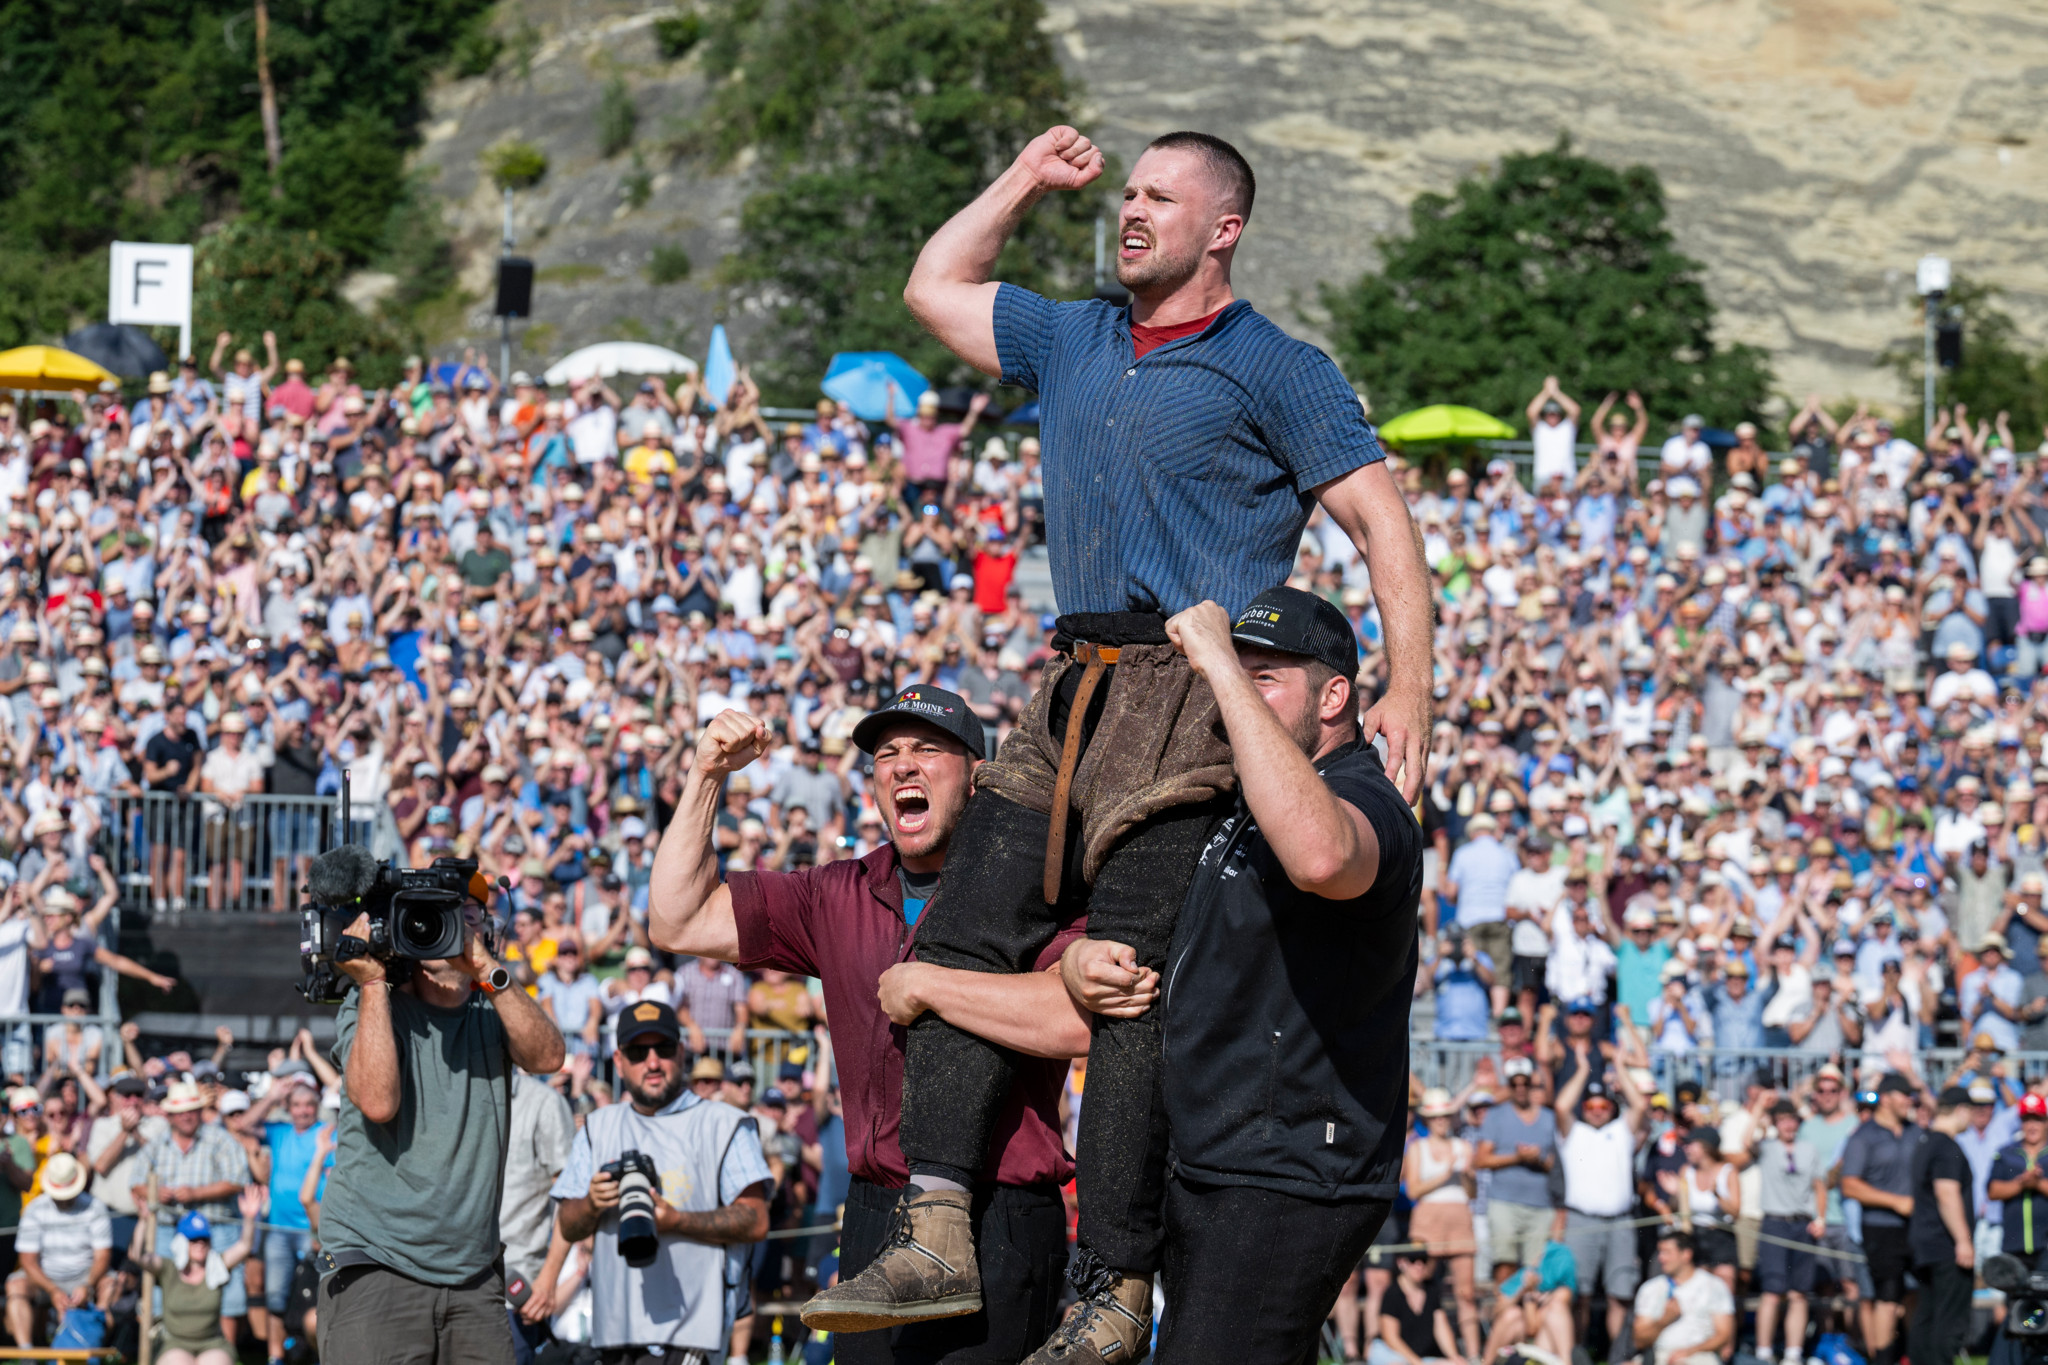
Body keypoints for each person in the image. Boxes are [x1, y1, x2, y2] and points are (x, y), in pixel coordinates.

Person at [813, 122, 1433, 1339]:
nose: (1130, 210)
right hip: (1070, 682)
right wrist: (1021, 179)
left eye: (1160, 196)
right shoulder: (1077, 332)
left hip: (1200, 693)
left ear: (1224, 228)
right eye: (1126, 192)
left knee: (1130, 986)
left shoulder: (1277, 365)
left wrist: (1407, 685)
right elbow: (933, 286)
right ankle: (933, 1226)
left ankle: (1112, 1282)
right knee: (964, 942)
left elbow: (1381, 519)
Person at [652, 685, 1097, 1365]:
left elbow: (1076, 1021)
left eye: (927, 748)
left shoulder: (1038, 889)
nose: (902, 765)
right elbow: (676, 918)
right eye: (885, 754)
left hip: (996, 1220)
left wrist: (932, 985)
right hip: (873, 1216)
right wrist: (706, 773)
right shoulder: (838, 890)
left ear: (979, 776)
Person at [1064, 589, 1424, 1363]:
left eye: (1268, 676)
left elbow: (1322, 854)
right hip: (1215, 1160)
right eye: (1240, 670)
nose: (1239, 688)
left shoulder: (1369, 799)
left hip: (1291, 1168)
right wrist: (1076, 960)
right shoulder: (1243, 802)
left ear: (1335, 697)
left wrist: (1221, 662)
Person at [314, 892, 567, 1364]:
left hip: (474, 1277)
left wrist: (486, 967)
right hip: (376, 1264)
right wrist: (371, 984)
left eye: (465, 917)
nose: (449, 928)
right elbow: (377, 1101)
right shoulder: (373, 1004)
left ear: (487, 928)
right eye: (431, 917)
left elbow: (549, 1058)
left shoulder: (493, 1011)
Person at [544, 1002, 773, 1360]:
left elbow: (756, 1220)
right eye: (638, 1052)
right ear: (618, 1061)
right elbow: (569, 1226)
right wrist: (591, 1203)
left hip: (695, 1330)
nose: (652, 1062)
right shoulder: (597, 1127)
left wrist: (676, 1220)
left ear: (681, 1052)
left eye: (663, 1048)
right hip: (616, 1329)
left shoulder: (725, 1124)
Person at [133, 1078, 253, 1349]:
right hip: (167, 1227)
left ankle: (223, 1352)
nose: (187, 1116)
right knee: (159, 1294)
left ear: (200, 1111)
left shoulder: (219, 1138)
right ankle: (162, 1351)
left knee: (226, 1295)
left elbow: (237, 1180)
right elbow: (136, 1182)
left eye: (192, 1109)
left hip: (214, 1227)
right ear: (170, 1115)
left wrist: (197, 1194)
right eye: (181, 1111)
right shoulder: (156, 1143)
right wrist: (155, 1193)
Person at [1554, 1058, 1651, 1354]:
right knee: (1578, 1295)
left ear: (1612, 1108)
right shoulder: (1573, 1133)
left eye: (1603, 1106)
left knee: (1619, 1295)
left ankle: (1618, 1356)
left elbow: (1640, 1106)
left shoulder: (1622, 1131)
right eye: (1591, 1107)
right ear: (1584, 1109)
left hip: (1620, 1221)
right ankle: (1577, 1354)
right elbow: (1560, 1106)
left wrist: (1620, 1068)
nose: (1597, 1112)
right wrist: (1583, 1069)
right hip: (1582, 1221)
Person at [1735, 1098, 1826, 1365]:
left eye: (1792, 1119)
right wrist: (1760, 1110)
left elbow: (1819, 1186)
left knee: (1800, 1292)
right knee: (1772, 1290)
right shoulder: (1768, 1147)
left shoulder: (1809, 1149)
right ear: (1776, 1122)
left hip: (1802, 1223)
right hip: (1775, 1222)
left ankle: (1792, 1353)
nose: (1789, 1124)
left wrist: (1820, 1217)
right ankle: (1764, 1352)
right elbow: (1746, 1141)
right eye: (1783, 1119)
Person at [1840, 1072, 1922, 1365]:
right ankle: (1882, 1359)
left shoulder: (1916, 1132)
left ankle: (1914, 1356)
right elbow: (1849, 1184)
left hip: (1915, 1228)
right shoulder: (1865, 1136)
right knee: (1886, 1299)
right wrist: (1896, 1202)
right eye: (1903, 1095)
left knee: (1914, 1294)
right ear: (1886, 1099)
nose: (1909, 1101)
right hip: (1881, 1228)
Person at [128, 1189, 263, 1365]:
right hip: (175, 1343)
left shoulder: (217, 1266)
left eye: (204, 1239)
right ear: (182, 1242)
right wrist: (143, 1221)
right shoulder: (169, 1268)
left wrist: (249, 1217)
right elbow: (137, 1255)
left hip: (212, 1343)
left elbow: (245, 1246)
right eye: (193, 1240)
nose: (200, 1244)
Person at [502, 1069, 574, 1365]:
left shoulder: (542, 1102)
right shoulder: (447, 1095)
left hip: (513, 1291)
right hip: (441, 1285)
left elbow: (572, 1197)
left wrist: (548, 1280)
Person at [6, 1152, 112, 1349]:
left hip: (86, 1275)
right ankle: (27, 1354)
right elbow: (28, 1260)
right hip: (46, 1278)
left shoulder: (94, 1207)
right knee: (15, 1285)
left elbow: (102, 1256)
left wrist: (88, 1285)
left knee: (111, 1284)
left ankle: (96, 1346)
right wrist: (52, 1289)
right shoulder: (35, 1210)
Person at [1405, 1089, 1480, 1359]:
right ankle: (1422, 1348)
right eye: (1436, 1116)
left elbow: (1472, 1193)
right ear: (1428, 1119)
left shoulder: (1464, 1147)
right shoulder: (1417, 1148)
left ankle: (1472, 1355)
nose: (1441, 1121)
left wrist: (1469, 1176)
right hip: (1429, 1219)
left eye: (1445, 1116)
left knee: (1466, 1292)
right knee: (1423, 1286)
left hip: (1459, 1216)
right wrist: (1446, 1174)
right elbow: (1413, 1190)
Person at [1907, 1087, 1977, 1365]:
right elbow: (1946, 1193)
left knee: (1927, 1315)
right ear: (1961, 1110)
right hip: (1946, 1246)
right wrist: (1963, 1239)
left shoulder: (1924, 1143)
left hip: (1924, 1244)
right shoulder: (1948, 1147)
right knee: (1949, 1320)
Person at [1475, 1056, 1558, 1284]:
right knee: (1505, 1264)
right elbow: (1481, 1160)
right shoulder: (1495, 1115)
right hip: (1503, 1202)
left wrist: (1538, 1159)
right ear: (1508, 1085)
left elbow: (1557, 1164)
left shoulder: (1549, 1118)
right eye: (1514, 1083)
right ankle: (1506, 1316)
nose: (1520, 1089)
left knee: (1537, 1271)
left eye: (1525, 1083)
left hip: (1541, 1205)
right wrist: (1517, 1157)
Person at [1630, 1229, 1734, 1365]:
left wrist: (1689, 1352)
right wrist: (1664, 1320)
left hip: (1699, 1355)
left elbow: (1724, 1334)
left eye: (1667, 1252)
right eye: (1660, 1252)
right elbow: (1639, 1340)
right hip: (1658, 1356)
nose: (1661, 1258)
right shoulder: (1650, 1288)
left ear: (1686, 1254)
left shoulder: (1713, 1286)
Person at [1371, 1249, 1466, 1365]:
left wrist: (1454, 1356)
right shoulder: (1392, 1293)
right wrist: (1416, 1362)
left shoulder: (1431, 1290)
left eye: (1424, 1260)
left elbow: (1441, 1328)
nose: (1419, 1265)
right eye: (1413, 1260)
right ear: (1401, 1263)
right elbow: (1390, 1338)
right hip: (1391, 1353)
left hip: (1421, 1357)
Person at [1987, 1092, 2048, 1269]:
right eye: (2027, 1120)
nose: (2032, 1125)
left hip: (2045, 1245)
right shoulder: (2006, 1154)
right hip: (2014, 1243)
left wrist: (2037, 1183)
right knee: (2015, 1295)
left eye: (2037, 1119)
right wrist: (2021, 1183)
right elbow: (1992, 1190)